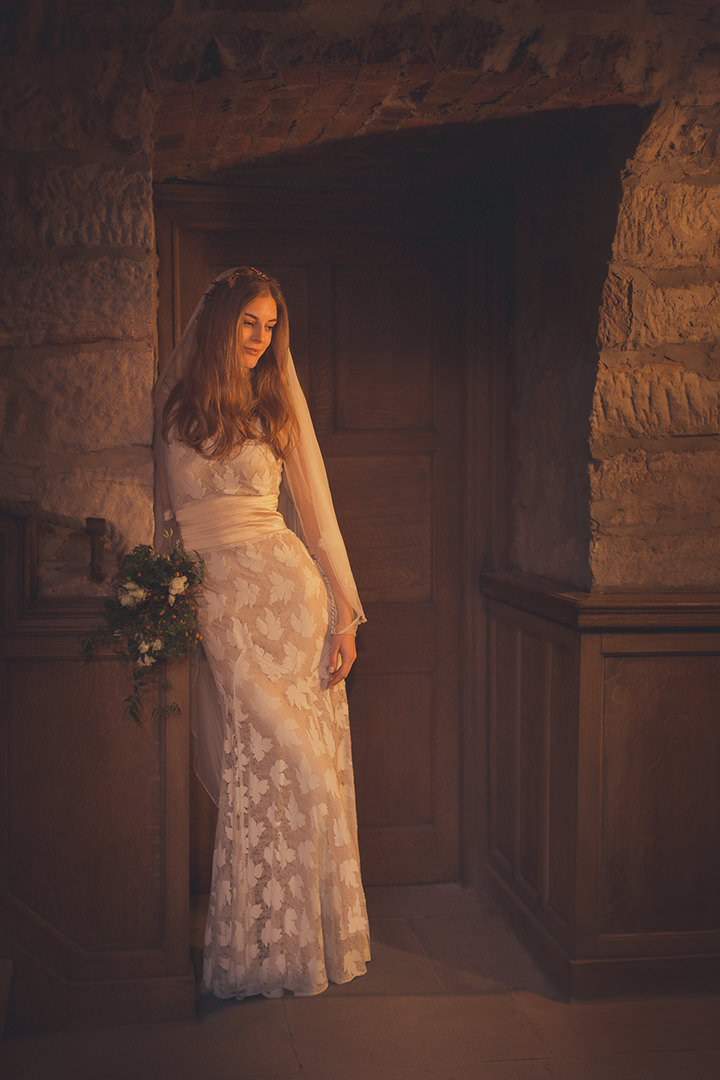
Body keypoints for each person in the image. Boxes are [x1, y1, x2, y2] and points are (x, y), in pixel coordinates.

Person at [153, 266, 370, 999]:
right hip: (220, 609)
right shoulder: (175, 404)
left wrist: (344, 614)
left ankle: (288, 952)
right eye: (250, 322)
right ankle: (253, 951)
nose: (261, 338)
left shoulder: (277, 402)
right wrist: (158, 601)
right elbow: (161, 521)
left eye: (271, 325)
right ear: (220, 322)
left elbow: (318, 514)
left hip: (289, 602)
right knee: (262, 772)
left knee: (303, 775)